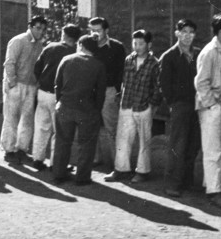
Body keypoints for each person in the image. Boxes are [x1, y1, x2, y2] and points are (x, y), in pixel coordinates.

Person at [106, 29, 162, 184]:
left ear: (149, 45)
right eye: (135, 43)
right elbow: (123, 80)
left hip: (143, 106)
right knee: (123, 138)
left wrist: (152, 104)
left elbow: (158, 87)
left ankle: (142, 171)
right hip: (127, 104)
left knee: (144, 140)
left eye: (141, 43)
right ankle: (121, 169)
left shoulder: (154, 63)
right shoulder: (129, 59)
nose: (137, 47)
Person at [195, 13, 221, 209]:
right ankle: (214, 193)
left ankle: (213, 186)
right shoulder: (209, 52)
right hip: (212, 108)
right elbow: (201, 82)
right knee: (213, 150)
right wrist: (212, 105)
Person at [53, 35, 107, 185]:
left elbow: (57, 84)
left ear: (81, 46)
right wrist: (97, 109)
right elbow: (100, 92)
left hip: (65, 106)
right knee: (86, 144)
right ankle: (82, 177)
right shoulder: (98, 65)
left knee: (62, 141)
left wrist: (60, 102)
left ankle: (59, 174)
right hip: (87, 110)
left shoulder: (67, 60)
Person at [159, 19, 200, 198]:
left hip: (198, 105)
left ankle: (187, 181)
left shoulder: (199, 54)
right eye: (184, 31)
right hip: (180, 106)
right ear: (177, 33)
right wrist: (173, 104)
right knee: (178, 145)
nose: (188, 35)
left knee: (193, 144)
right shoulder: (169, 56)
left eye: (191, 32)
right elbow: (163, 85)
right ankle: (172, 184)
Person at [31, 24, 80, 170]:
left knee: (41, 127)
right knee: (59, 132)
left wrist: (42, 80)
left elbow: (37, 68)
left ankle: (37, 159)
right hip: (60, 96)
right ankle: (56, 163)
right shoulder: (74, 53)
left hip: (43, 92)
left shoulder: (50, 46)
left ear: (64, 35)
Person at [0, 15, 48, 164]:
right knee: (11, 117)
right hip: (16, 84)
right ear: (30, 27)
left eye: (43, 29)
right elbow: (9, 63)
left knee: (27, 119)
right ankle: (9, 149)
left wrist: (36, 83)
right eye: (38, 28)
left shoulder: (41, 44)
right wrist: (12, 82)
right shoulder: (18, 40)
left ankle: (22, 149)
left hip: (31, 86)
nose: (40, 31)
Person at [89, 17, 127, 169]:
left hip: (109, 90)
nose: (94, 34)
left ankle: (117, 162)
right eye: (91, 31)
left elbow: (122, 71)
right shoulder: (88, 45)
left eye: (98, 30)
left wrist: (118, 91)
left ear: (106, 30)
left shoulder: (117, 47)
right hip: (91, 90)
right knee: (92, 125)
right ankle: (95, 158)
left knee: (112, 127)